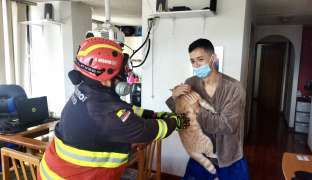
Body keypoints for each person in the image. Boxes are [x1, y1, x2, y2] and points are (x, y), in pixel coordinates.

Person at [38, 37, 189, 180]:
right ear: (104, 77)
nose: (126, 74)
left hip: (53, 170)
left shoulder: (86, 89)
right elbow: (147, 130)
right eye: (122, 71)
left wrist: (155, 115)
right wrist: (175, 122)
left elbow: (123, 109)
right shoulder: (107, 113)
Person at [166, 38, 249, 180]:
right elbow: (184, 118)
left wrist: (198, 109)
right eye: (192, 61)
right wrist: (174, 98)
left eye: (200, 59)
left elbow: (228, 126)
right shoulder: (190, 83)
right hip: (201, 155)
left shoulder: (234, 88)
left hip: (228, 157)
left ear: (213, 58)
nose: (196, 65)